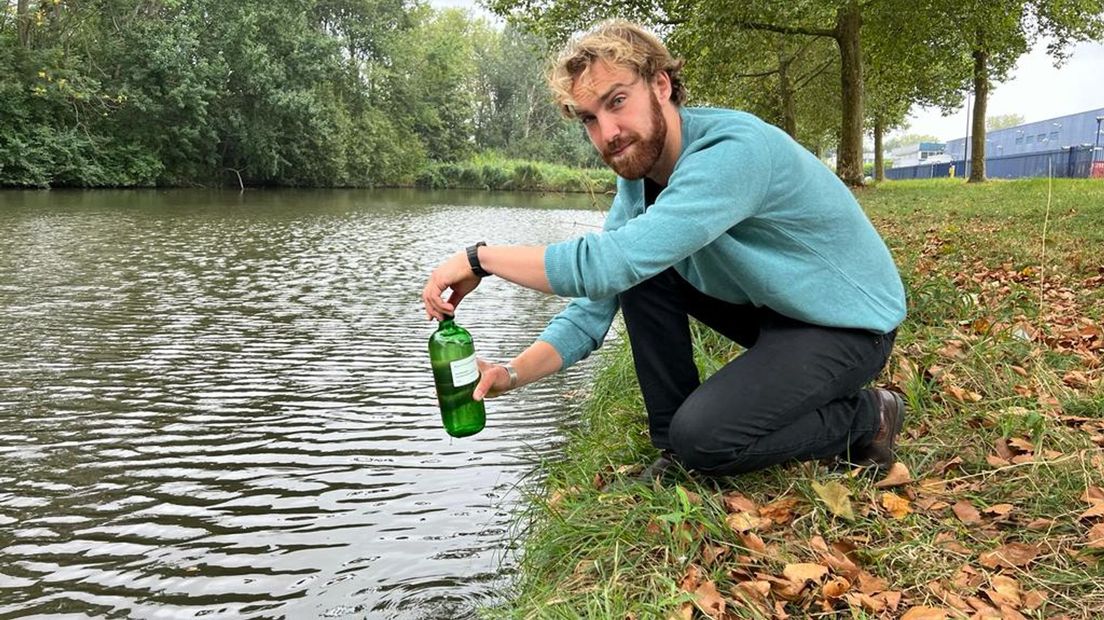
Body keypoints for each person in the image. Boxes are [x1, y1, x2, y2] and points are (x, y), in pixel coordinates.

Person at [421, 20, 907, 479]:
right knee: (640, 273)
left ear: (660, 86)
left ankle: (870, 416)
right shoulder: (638, 182)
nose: (607, 133)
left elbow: (602, 265)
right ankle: (674, 448)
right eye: (590, 119)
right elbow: (595, 305)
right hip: (780, 309)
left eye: (617, 101)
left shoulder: (731, 150)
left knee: (709, 439)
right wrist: (508, 375)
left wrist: (479, 259)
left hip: (848, 325)